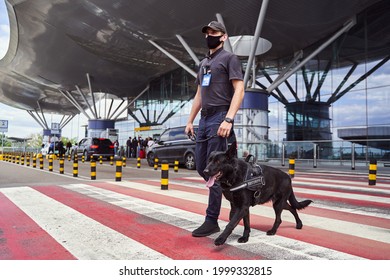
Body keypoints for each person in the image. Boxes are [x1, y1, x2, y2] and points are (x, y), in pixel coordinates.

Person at [184, 21, 245, 237]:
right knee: (203, 167)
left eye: (214, 32)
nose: (210, 35)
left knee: (215, 171)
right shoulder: (203, 64)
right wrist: (190, 120)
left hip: (220, 116)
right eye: (207, 33)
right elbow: (200, 94)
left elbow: (239, 89)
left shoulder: (229, 59)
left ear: (224, 37)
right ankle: (234, 198)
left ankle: (211, 220)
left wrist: (228, 119)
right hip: (204, 119)